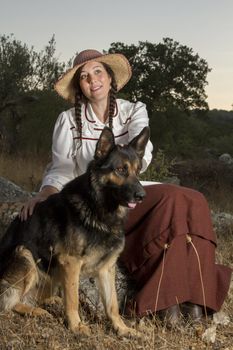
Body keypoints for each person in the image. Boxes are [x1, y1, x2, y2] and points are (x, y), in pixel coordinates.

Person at [21, 49, 232, 325]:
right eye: (84, 76)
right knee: (174, 201)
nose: (92, 80)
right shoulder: (68, 120)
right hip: (92, 202)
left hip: (130, 189)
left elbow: (141, 152)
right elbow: (60, 168)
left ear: (110, 78)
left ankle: (194, 302)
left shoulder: (134, 110)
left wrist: (124, 170)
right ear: (79, 87)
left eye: (98, 72)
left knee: (192, 200)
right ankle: (161, 303)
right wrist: (45, 193)